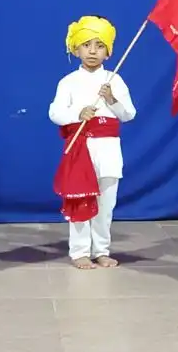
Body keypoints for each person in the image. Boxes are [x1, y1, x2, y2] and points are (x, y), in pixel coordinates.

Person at [50, 15, 136, 268]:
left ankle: (101, 249)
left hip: (108, 150)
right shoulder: (68, 82)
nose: (92, 51)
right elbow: (54, 113)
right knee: (80, 199)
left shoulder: (115, 80)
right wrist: (77, 115)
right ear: (76, 48)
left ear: (108, 53)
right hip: (80, 148)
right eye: (87, 44)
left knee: (105, 204)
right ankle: (79, 252)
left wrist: (111, 100)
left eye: (99, 46)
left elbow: (129, 113)